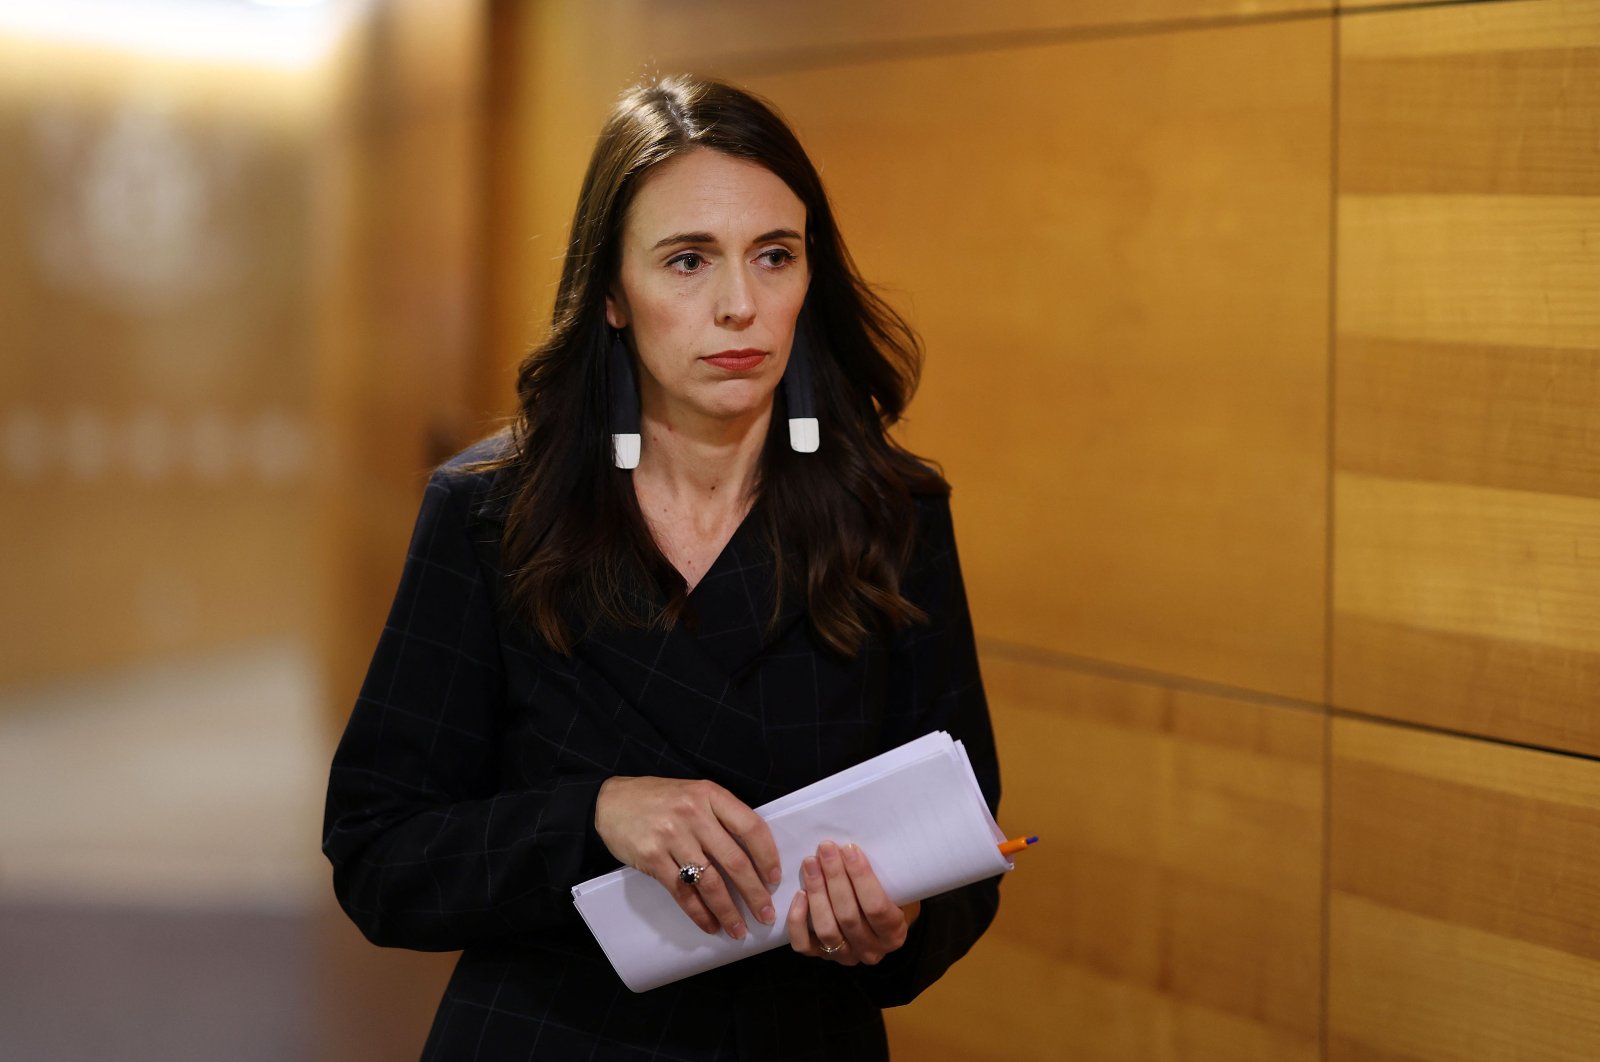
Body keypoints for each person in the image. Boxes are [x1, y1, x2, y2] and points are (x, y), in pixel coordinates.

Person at [322, 74, 1001, 1061]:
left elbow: (965, 848)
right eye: (688, 260)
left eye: (775, 256)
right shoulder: (490, 512)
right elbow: (380, 857)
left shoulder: (893, 517)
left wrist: (892, 933)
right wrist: (593, 818)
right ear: (609, 293)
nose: (739, 306)